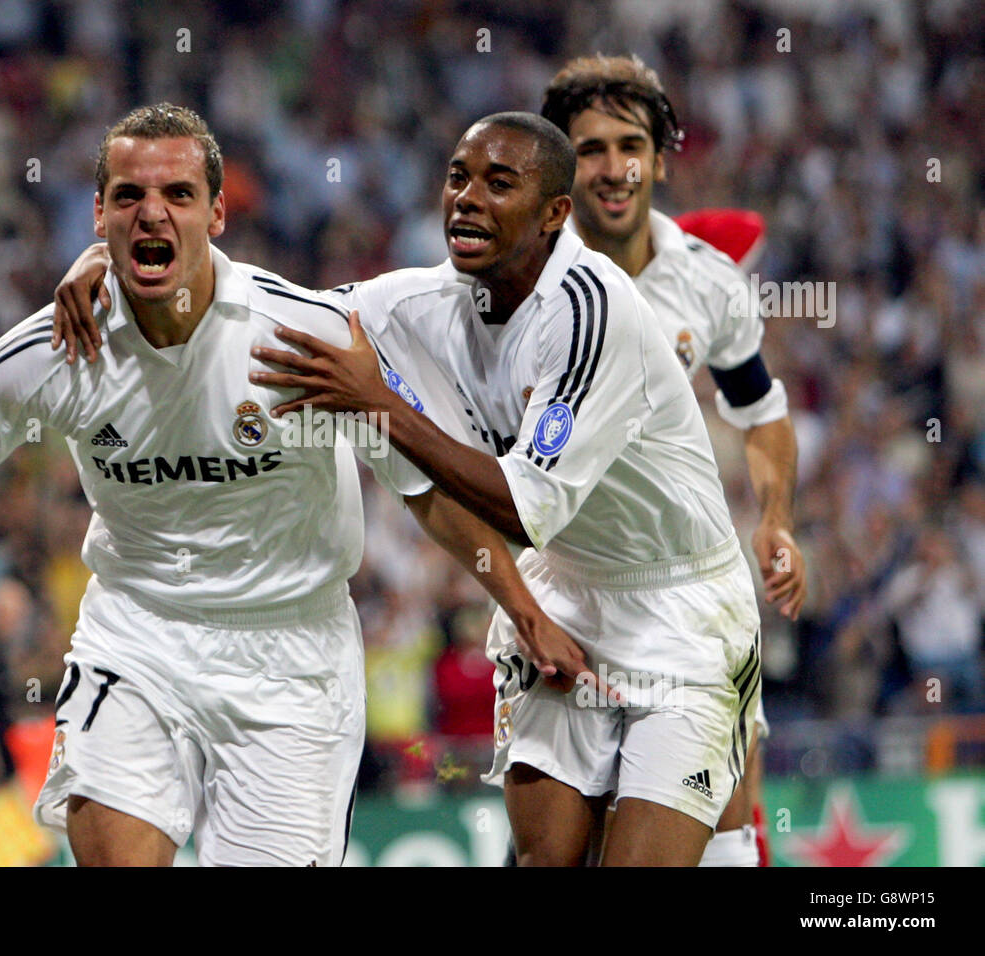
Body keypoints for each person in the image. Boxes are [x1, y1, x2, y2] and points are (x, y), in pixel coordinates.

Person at [0, 103, 588, 867]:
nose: (153, 214)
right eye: (130, 196)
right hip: (138, 634)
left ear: (217, 213)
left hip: (292, 656)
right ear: (98, 214)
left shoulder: (300, 338)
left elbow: (425, 490)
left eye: (177, 195)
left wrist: (522, 610)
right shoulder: (59, 347)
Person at [53, 112, 763, 865]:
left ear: (555, 213)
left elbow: (528, 511)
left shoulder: (592, 309)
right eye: (457, 177)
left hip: (680, 608)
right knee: (547, 857)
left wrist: (380, 407)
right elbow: (263, 311)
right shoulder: (416, 302)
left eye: (499, 183)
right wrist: (122, 268)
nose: (466, 198)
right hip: (564, 593)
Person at [541, 53, 806, 866]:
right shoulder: (521, 280)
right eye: (590, 148)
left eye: (631, 145)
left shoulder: (707, 283)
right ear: (560, 161)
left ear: (660, 158)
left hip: (690, 590)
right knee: (554, 855)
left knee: (726, 831)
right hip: (565, 592)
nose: (614, 168)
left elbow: (762, 414)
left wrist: (777, 519)